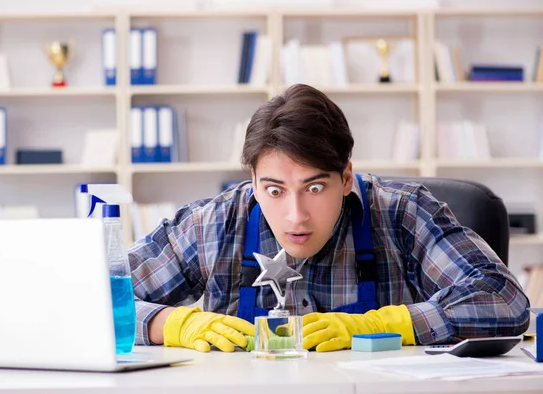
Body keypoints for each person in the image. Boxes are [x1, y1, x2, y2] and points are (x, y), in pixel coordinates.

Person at [127, 83, 530, 353]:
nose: (296, 215)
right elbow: (84, 298)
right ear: (251, 181)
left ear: (346, 176)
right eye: (274, 190)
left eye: (315, 188)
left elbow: (504, 300)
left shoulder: (403, 214)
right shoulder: (213, 224)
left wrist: (380, 326)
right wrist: (170, 323)